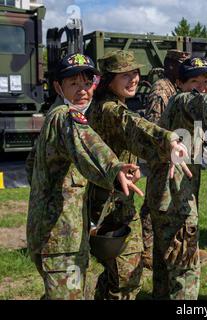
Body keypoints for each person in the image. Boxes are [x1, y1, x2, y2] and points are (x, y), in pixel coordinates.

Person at [25, 53, 142, 300]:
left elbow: (31, 165)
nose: (82, 90)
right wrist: (113, 167)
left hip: (62, 237)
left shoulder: (55, 116)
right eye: (73, 84)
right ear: (59, 86)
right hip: (59, 242)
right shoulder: (65, 116)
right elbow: (88, 144)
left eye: (87, 83)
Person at [85, 49, 190, 300]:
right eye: (124, 75)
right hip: (109, 209)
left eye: (134, 73)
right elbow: (135, 125)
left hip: (114, 204)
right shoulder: (110, 109)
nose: (133, 79)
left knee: (116, 273)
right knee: (127, 278)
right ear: (109, 79)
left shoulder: (107, 105)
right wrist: (168, 140)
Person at [146, 57, 207, 300]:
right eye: (194, 81)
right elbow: (198, 101)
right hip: (177, 203)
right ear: (179, 83)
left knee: (165, 272)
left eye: (206, 81)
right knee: (185, 274)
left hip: (162, 199)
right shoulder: (181, 100)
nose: (202, 86)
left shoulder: (182, 109)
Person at [140, 49, 190, 270]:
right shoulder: (162, 90)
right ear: (171, 66)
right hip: (162, 155)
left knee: (162, 200)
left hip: (171, 153)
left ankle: (154, 247)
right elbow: (155, 125)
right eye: (182, 65)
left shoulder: (175, 87)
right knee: (154, 203)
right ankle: (146, 249)